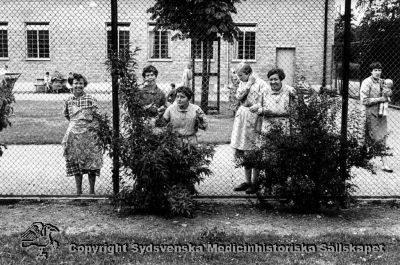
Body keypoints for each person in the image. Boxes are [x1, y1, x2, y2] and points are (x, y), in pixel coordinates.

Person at [62, 73, 104, 195]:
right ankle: (78, 192)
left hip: (89, 136)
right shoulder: (68, 100)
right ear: (72, 84)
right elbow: (67, 116)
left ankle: (92, 192)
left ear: (84, 85)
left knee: (92, 164)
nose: (78, 86)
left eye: (80, 83)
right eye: (76, 83)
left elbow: (97, 115)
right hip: (74, 137)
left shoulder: (90, 98)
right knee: (76, 164)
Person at [230, 62, 268, 194]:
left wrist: (258, 106)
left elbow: (265, 99)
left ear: (248, 73)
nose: (239, 77)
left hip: (255, 116)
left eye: (241, 75)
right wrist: (247, 84)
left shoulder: (261, 84)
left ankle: (255, 182)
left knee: (254, 149)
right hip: (243, 115)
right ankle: (247, 181)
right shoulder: (244, 83)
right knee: (244, 149)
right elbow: (238, 96)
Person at [360, 62, 393, 173]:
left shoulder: (383, 81)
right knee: (373, 137)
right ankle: (371, 159)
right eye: (375, 70)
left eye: (379, 70)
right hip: (371, 114)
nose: (378, 72)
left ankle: (381, 163)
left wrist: (388, 93)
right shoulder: (366, 82)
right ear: (371, 71)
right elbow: (364, 100)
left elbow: (388, 93)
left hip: (382, 114)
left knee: (382, 137)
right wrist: (380, 99)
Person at [257, 68, 296, 134]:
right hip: (267, 124)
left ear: (281, 79)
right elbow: (258, 105)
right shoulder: (264, 91)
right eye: (271, 80)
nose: (273, 82)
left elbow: (294, 109)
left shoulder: (289, 91)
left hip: (284, 124)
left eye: (275, 79)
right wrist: (260, 109)